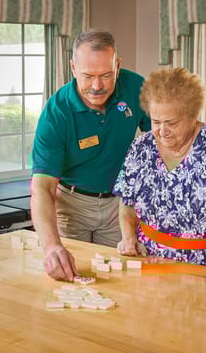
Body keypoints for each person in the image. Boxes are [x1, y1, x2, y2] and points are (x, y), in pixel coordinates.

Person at [113, 67, 206, 282]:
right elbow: (127, 202)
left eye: (171, 123)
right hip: (149, 265)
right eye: (156, 122)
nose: (162, 131)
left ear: (192, 115)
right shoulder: (141, 147)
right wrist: (129, 238)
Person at [30, 28, 151, 281]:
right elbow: (42, 187)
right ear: (73, 68)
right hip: (72, 206)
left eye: (106, 75)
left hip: (120, 205)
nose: (97, 86)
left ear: (118, 65)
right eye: (88, 76)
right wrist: (51, 245)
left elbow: (167, 134)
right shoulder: (56, 113)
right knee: (72, 280)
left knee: (124, 279)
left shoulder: (136, 88)